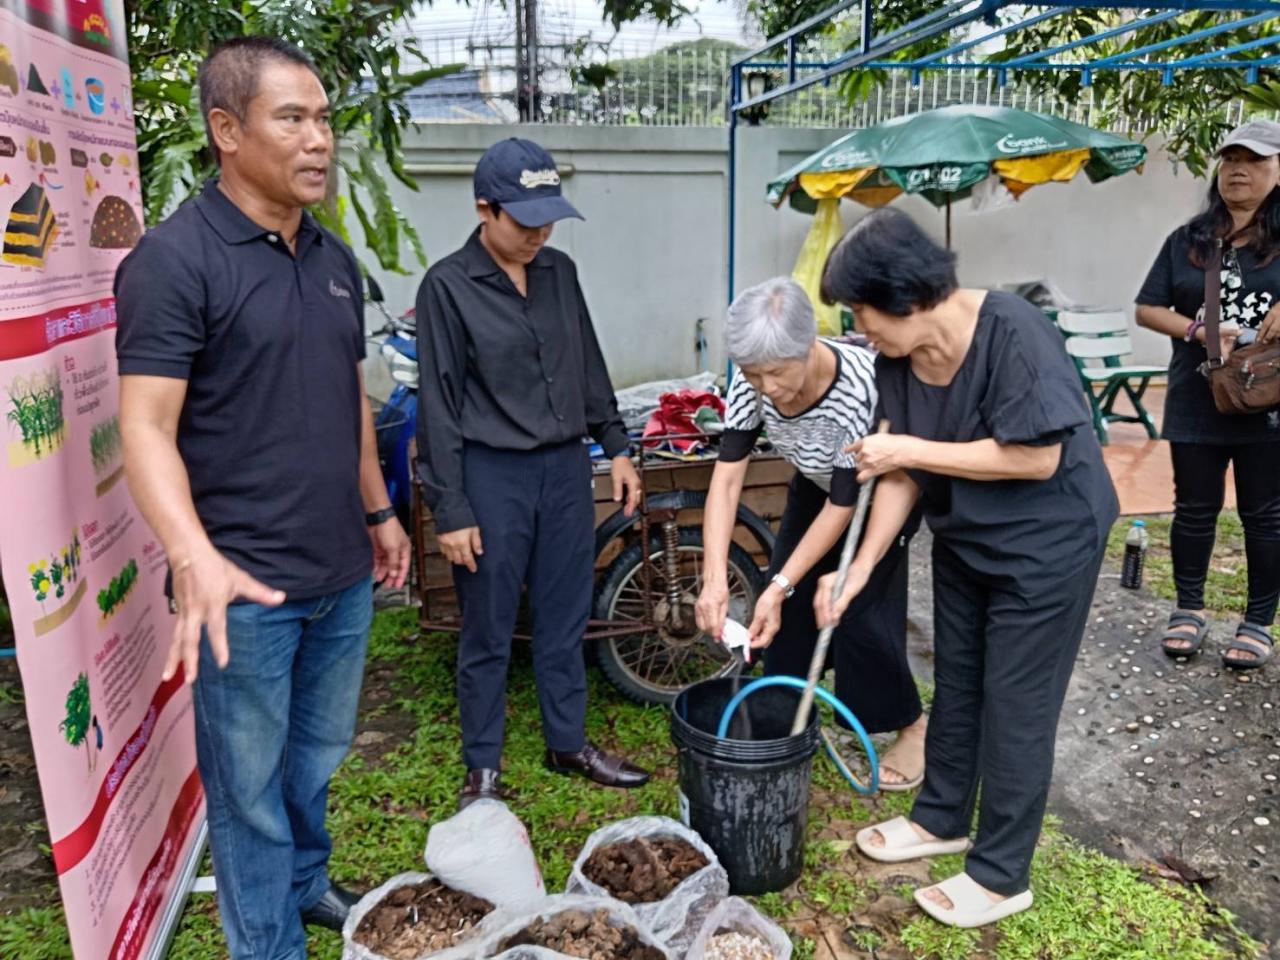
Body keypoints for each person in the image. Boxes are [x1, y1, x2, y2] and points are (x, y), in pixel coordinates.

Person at [115, 37, 410, 958]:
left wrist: (378, 510)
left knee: (314, 762)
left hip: (340, 569)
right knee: (245, 793)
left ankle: (305, 884)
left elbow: (346, 395)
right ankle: (268, 944)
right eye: (294, 118)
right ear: (226, 130)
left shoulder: (329, 255)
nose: (319, 138)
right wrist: (192, 555)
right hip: (241, 589)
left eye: (324, 118)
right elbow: (144, 428)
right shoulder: (174, 261)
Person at [814, 208, 1118, 929]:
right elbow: (900, 475)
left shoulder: (1013, 332)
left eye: (862, 310)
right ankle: (942, 817)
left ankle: (1001, 872)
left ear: (906, 295)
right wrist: (855, 569)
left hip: (1048, 541)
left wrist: (910, 451)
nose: (861, 328)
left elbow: (1035, 455)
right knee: (957, 683)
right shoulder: (897, 360)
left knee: (1016, 703)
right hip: (966, 537)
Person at [416, 138, 650, 809]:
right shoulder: (447, 287)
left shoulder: (559, 273)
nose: (538, 234)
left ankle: (567, 740)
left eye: (548, 220)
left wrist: (617, 445)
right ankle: (482, 766)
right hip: (491, 477)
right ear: (485, 209)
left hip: (564, 470)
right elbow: (438, 405)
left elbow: (588, 364)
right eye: (524, 222)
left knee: (563, 612)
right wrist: (451, 509)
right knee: (488, 625)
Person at [694, 277, 926, 789]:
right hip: (814, 484)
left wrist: (780, 586)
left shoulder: (860, 388)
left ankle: (912, 726)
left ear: (808, 344)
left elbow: (844, 507)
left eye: (777, 373)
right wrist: (714, 578)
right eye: (754, 376)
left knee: (859, 614)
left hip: (874, 494)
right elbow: (727, 480)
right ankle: (787, 715)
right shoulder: (752, 381)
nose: (767, 389)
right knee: (787, 606)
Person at [1136, 119, 1280, 671]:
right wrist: (1197, 331)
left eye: (1254, 159)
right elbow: (1147, 309)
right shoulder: (1189, 240)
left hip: (1269, 401)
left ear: (1277, 169)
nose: (1237, 169)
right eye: (1229, 159)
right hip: (1198, 395)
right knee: (1193, 511)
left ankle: (1259, 621)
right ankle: (1189, 609)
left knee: (1265, 516)